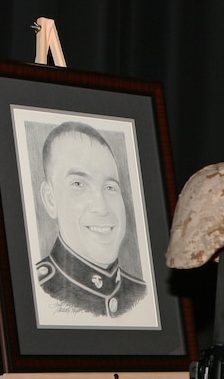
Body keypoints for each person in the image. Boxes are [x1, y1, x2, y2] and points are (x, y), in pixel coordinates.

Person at [35, 120, 146, 318]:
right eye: (79, 184)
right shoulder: (36, 292)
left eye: (110, 187)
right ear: (50, 200)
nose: (102, 207)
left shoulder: (143, 296)